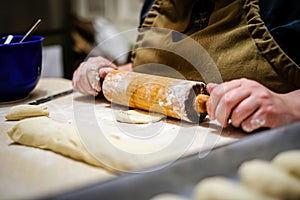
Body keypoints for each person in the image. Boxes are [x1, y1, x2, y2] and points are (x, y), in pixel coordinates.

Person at [72, 0, 300, 133]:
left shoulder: (285, 7)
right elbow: (153, 69)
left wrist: (289, 105)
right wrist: (109, 74)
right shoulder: (157, 5)